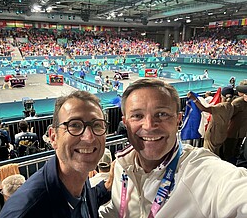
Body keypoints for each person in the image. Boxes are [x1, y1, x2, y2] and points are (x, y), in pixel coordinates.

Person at [99, 79, 247, 218]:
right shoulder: (121, 165)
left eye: (162, 114)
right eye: (137, 115)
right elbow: (118, 210)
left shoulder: (202, 172)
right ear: (125, 123)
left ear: (178, 120)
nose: (149, 125)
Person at [0, 90, 113, 218]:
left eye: (97, 125)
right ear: (53, 138)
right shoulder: (24, 212)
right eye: (74, 125)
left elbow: (84, 200)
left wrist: (107, 186)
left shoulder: (79, 178)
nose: (89, 137)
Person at [187, 86, 235, 156]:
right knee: (216, 152)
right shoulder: (231, 106)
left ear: (222, 95)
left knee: (209, 154)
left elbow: (204, 108)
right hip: (223, 134)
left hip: (213, 135)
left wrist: (194, 99)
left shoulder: (220, 107)